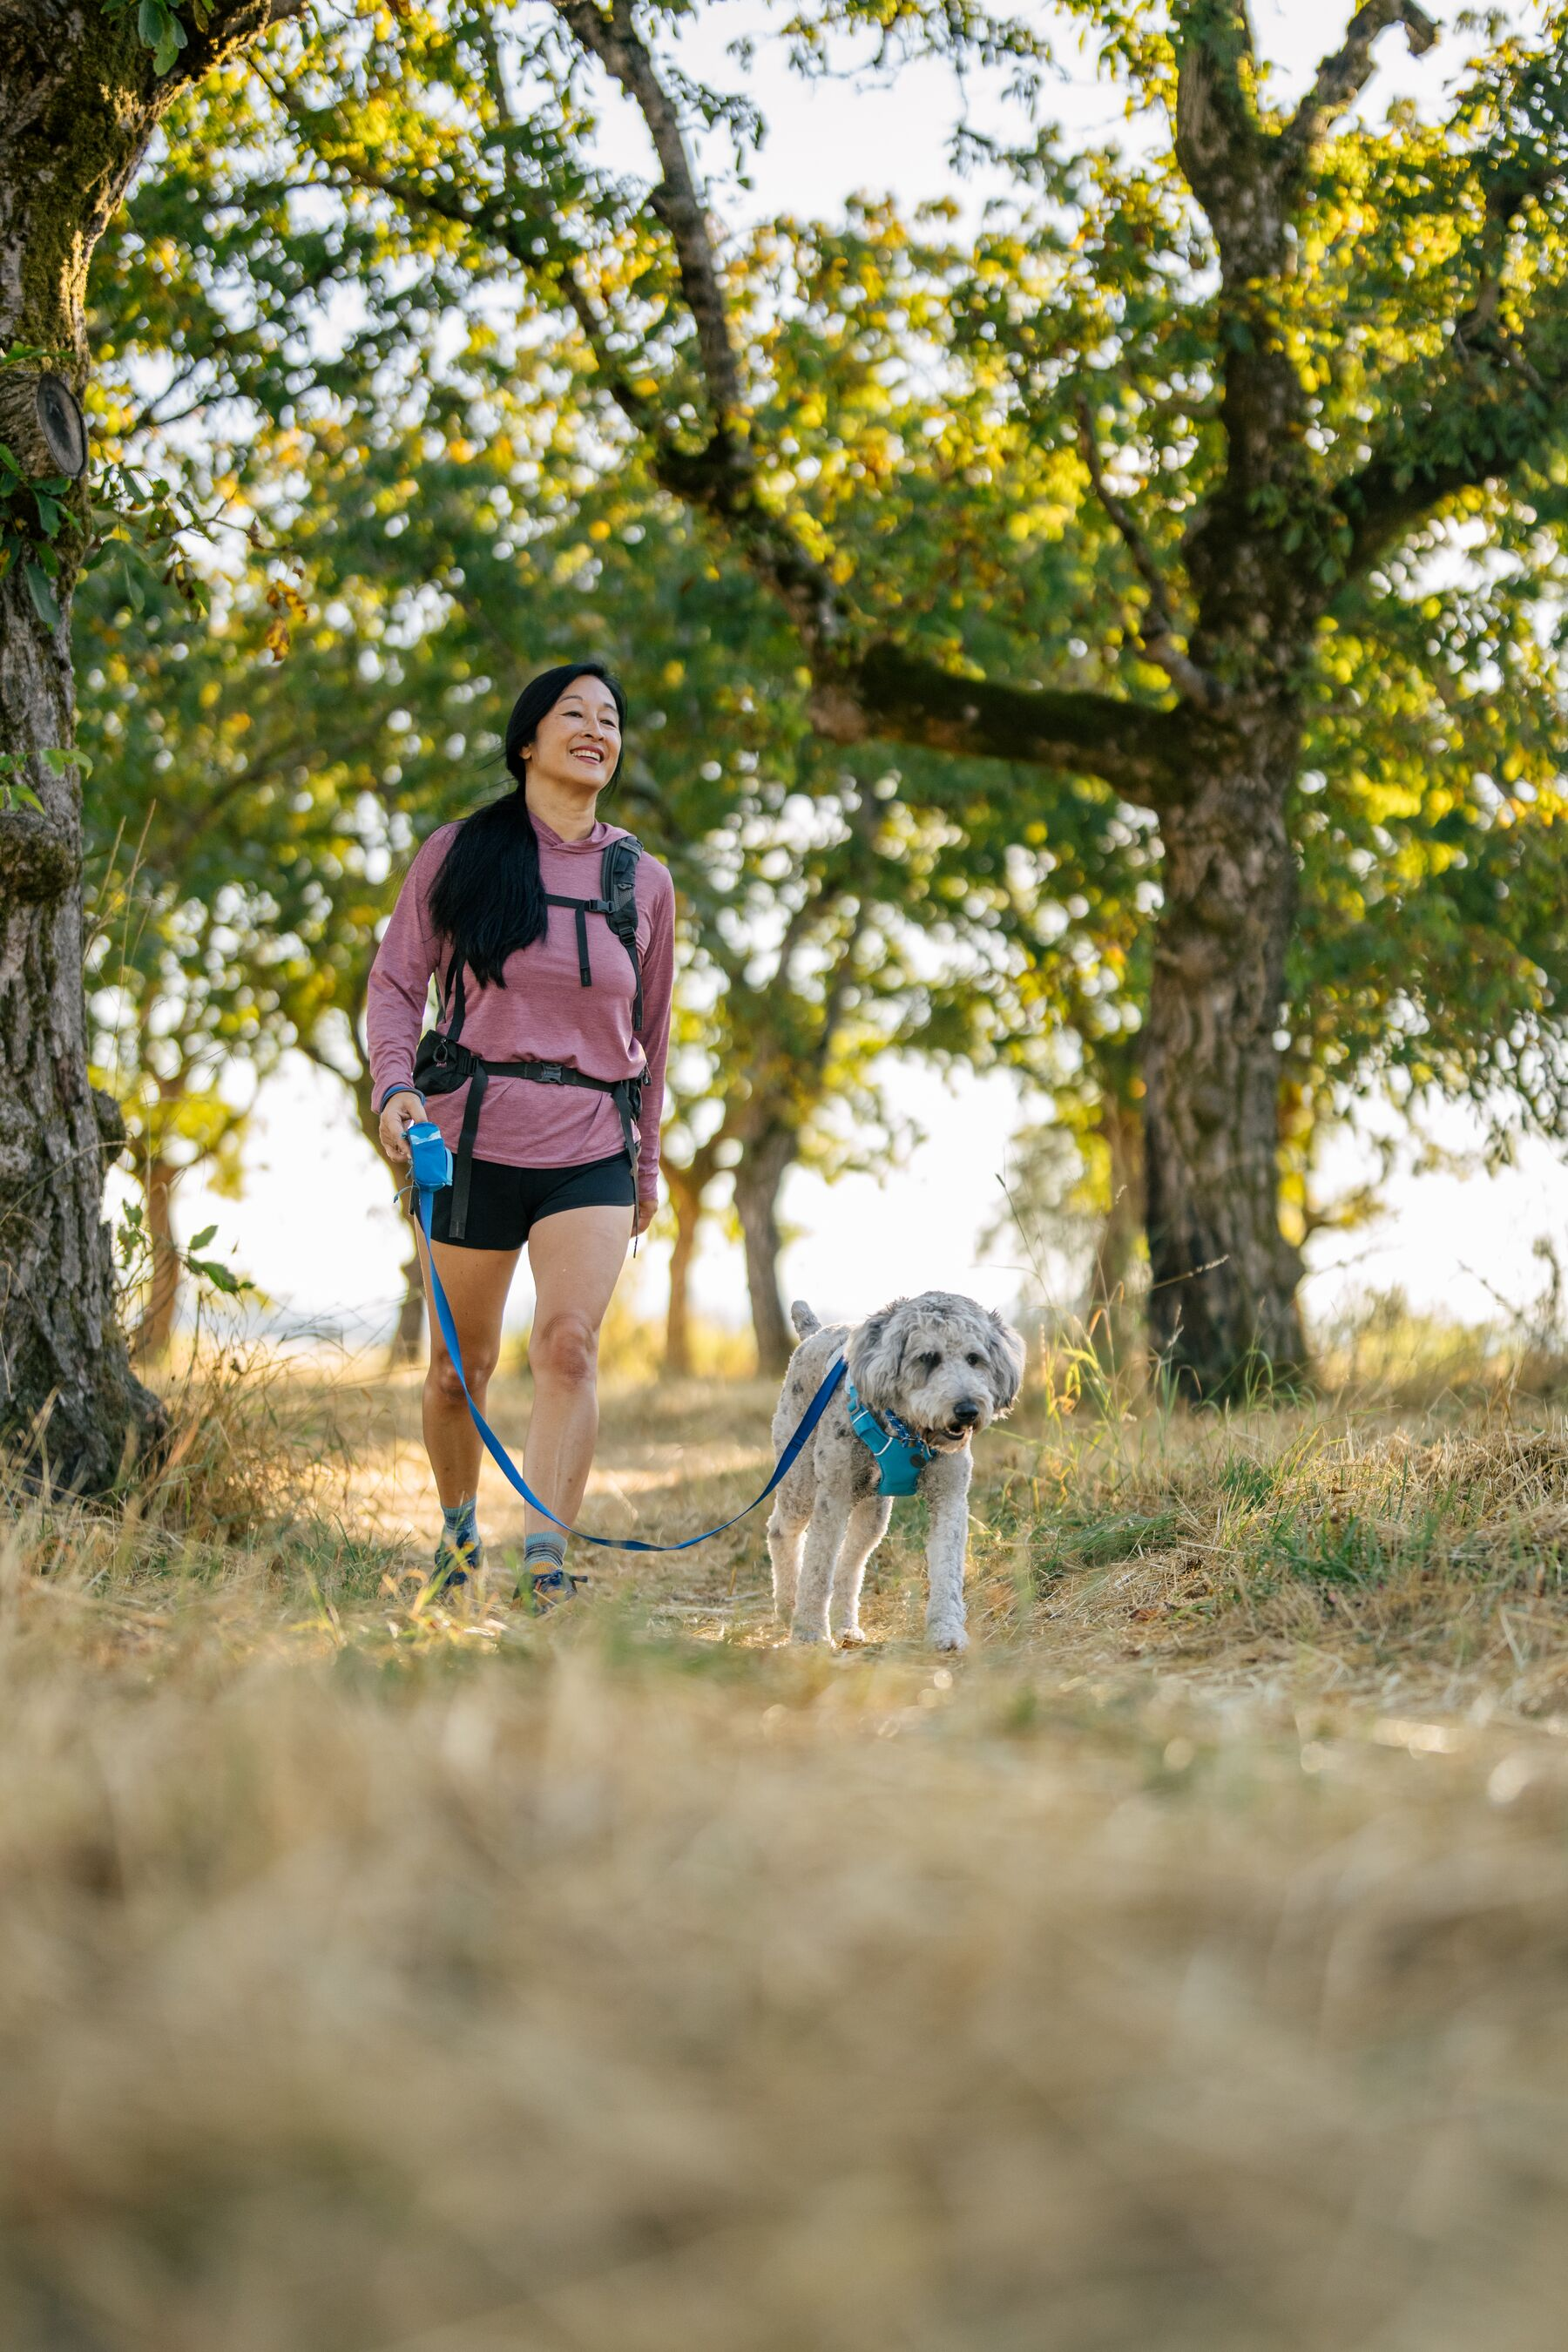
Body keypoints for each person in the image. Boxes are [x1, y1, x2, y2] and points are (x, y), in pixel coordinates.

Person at [367, 661, 674, 1605]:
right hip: (466, 1139)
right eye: (572, 713)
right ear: (527, 741)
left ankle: (547, 1562)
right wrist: (391, 1090)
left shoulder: (644, 883)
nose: (596, 729)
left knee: (569, 1345)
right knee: (461, 1374)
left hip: (592, 1143)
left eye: (611, 718)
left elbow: (653, 1036)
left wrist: (647, 1160)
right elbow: (394, 985)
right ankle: (460, 1534)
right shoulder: (458, 853)